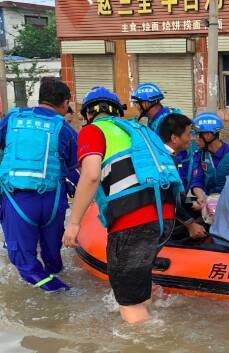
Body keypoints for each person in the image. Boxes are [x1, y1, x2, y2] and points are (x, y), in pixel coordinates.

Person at [62, 86, 182, 323]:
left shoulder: (93, 130)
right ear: (117, 110)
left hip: (133, 221)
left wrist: (74, 223)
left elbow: (91, 176)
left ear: (88, 114)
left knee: (129, 303)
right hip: (165, 219)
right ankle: (147, 316)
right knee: (139, 283)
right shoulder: (141, 129)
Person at [0, 77, 79, 292]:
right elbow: (78, 170)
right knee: (53, 256)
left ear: (39, 97)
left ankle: (61, 292)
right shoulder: (66, 130)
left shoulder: (12, 119)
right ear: (64, 103)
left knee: (24, 263)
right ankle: (60, 282)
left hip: (18, 202)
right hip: (53, 203)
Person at [158, 113, 207, 241]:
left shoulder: (164, 154)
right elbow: (168, 199)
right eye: (189, 134)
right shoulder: (165, 161)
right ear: (174, 138)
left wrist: (192, 204)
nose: (191, 138)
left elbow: (176, 194)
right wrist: (191, 225)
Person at [190, 112, 229, 206]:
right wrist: (201, 197)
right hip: (208, 201)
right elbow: (196, 181)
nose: (194, 139)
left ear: (208, 135)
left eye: (197, 135)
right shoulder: (199, 155)